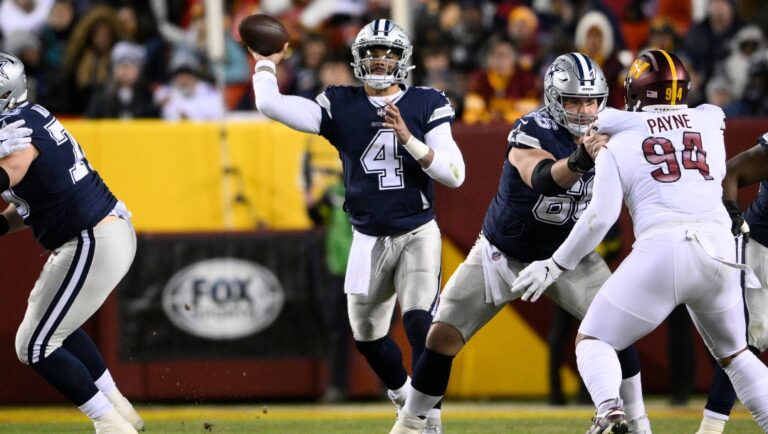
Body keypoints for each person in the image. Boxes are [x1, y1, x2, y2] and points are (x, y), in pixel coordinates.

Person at [389, 52, 650, 434]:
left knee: (617, 328)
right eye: (574, 100)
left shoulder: (615, 131)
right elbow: (543, 177)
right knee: (441, 336)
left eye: (591, 99)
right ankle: (411, 423)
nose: (584, 109)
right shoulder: (532, 128)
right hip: (503, 252)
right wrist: (580, 158)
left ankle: (638, 422)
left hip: (568, 255)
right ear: (553, 99)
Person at [512, 49, 768, 433]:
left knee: (592, 340)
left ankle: (610, 410)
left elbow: (600, 217)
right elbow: (701, 119)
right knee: (736, 355)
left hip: (663, 250)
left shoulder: (613, 133)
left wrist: (555, 265)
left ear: (635, 90)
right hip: (719, 252)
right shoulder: (709, 121)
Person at [250, 18, 466, 433]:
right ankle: (406, 399)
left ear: (403, 60)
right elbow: (270, 105)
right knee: (367, 339)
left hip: (416, 230)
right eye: (371, 53)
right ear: (357, 58)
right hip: (366, 237)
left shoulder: (426, 102)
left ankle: (426, 419)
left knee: (421, 323)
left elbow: (455, 174)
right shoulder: (340, 104)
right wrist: (264, 63)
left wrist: (409, 138)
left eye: (387, 53)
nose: (379, 61)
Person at [0, 52, 142, 434]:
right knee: (52, 326)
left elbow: (8, 173)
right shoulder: (31, 115)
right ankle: (120, 410)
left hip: (92, 237)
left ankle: (110, 424)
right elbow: (34, 201)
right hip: (99, 233)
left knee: (33, 345)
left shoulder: (14, 129)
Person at [696, 130, 768, 434]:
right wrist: (731, 213)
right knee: (749, 339)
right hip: (764, 248)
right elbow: (732, 173)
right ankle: (711, 428)